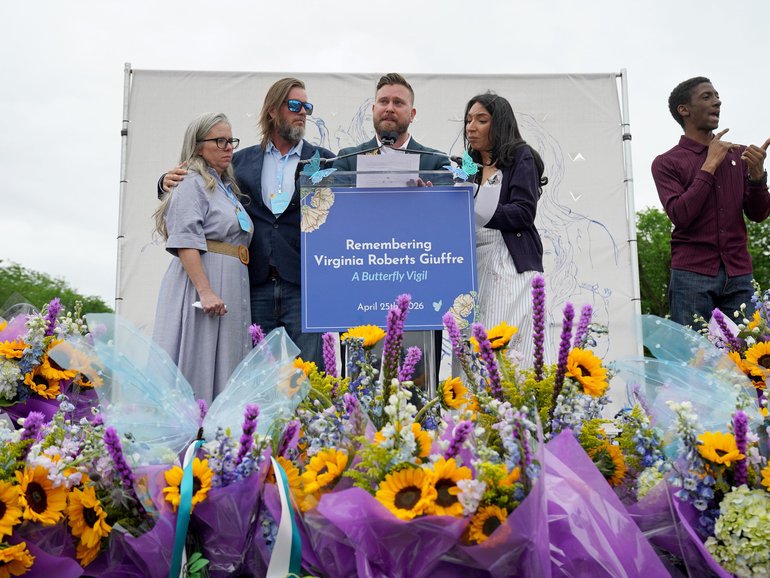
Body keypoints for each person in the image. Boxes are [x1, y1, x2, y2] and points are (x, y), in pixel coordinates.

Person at [158, 78, 335, 366]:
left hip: (303, 288)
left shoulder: (325, 162)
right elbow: (198, 186)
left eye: (307, 106)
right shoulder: (237, 162)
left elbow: (354, 199)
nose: (302, 112)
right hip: (253, 286)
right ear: (272, 111)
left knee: (309, 379)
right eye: (294, 105)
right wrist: (163, 183)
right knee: (252, 376)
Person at [651, 76, 770, 326]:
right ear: (684, 110)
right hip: (691, 276)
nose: (717, 101)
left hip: (740, 275)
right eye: (707, 97)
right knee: (694, 359)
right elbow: (680, 215)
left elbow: (758, 214)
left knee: (754, 358)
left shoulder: (738, 155)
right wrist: (710, 164)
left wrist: (758, 177)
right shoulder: (667, 162)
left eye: (717, 97)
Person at [152, 112, 253, 403]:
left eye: (231, 140)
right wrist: (206, 291)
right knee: (199, 361)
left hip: (232, 283)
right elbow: (185, 240)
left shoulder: (225, 187)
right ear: (197, 146)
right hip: (203, 286)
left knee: (225, 363)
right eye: (219, 141)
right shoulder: (190, 182)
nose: (228, 147)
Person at [464, 92, 546, 363]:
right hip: (471, 264)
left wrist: (482, 211)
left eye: (481, 120)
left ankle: (507, 405)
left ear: (499, 124)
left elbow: (524, 211)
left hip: (508, 262)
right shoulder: (467, 167)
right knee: (471, 347)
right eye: (468, 120)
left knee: (504, 349)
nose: (471, 127)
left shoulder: (521, 157)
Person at [333, 73, 447, 172]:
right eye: (383, 101)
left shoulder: (436, 162)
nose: (389, 108)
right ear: (373, 110)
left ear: (412, 115)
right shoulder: (347, 160)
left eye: (398, 102)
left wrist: (426, 194)